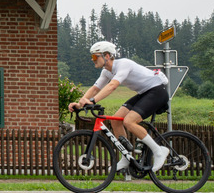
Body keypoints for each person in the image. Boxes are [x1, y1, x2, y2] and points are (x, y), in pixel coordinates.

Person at [68, 41, 170, 172]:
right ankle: (126, 157)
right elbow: (95, 88)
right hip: (144, 93)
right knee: (115, 120)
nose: (92, 60)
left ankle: (159, 151)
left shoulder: (124, 64)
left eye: (95, 57)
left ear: (107, 56)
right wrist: (80, 103)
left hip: (156, 91)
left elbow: (112, 86)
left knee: (129, 121)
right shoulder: (106, 72)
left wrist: (92, 101)